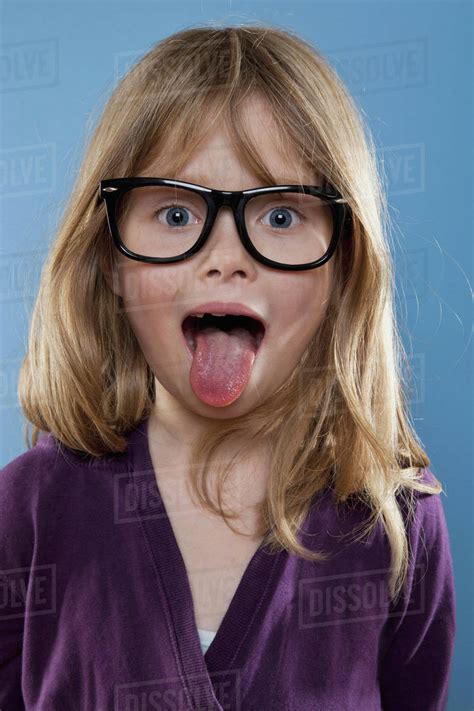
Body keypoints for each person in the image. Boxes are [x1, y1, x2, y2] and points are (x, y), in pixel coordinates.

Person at [0, 24, 456, 710]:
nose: (225, 256)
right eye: (178, 212)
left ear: (343, 264)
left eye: (279, 215)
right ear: (109, 259)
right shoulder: (30, 508)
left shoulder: (395, 522)